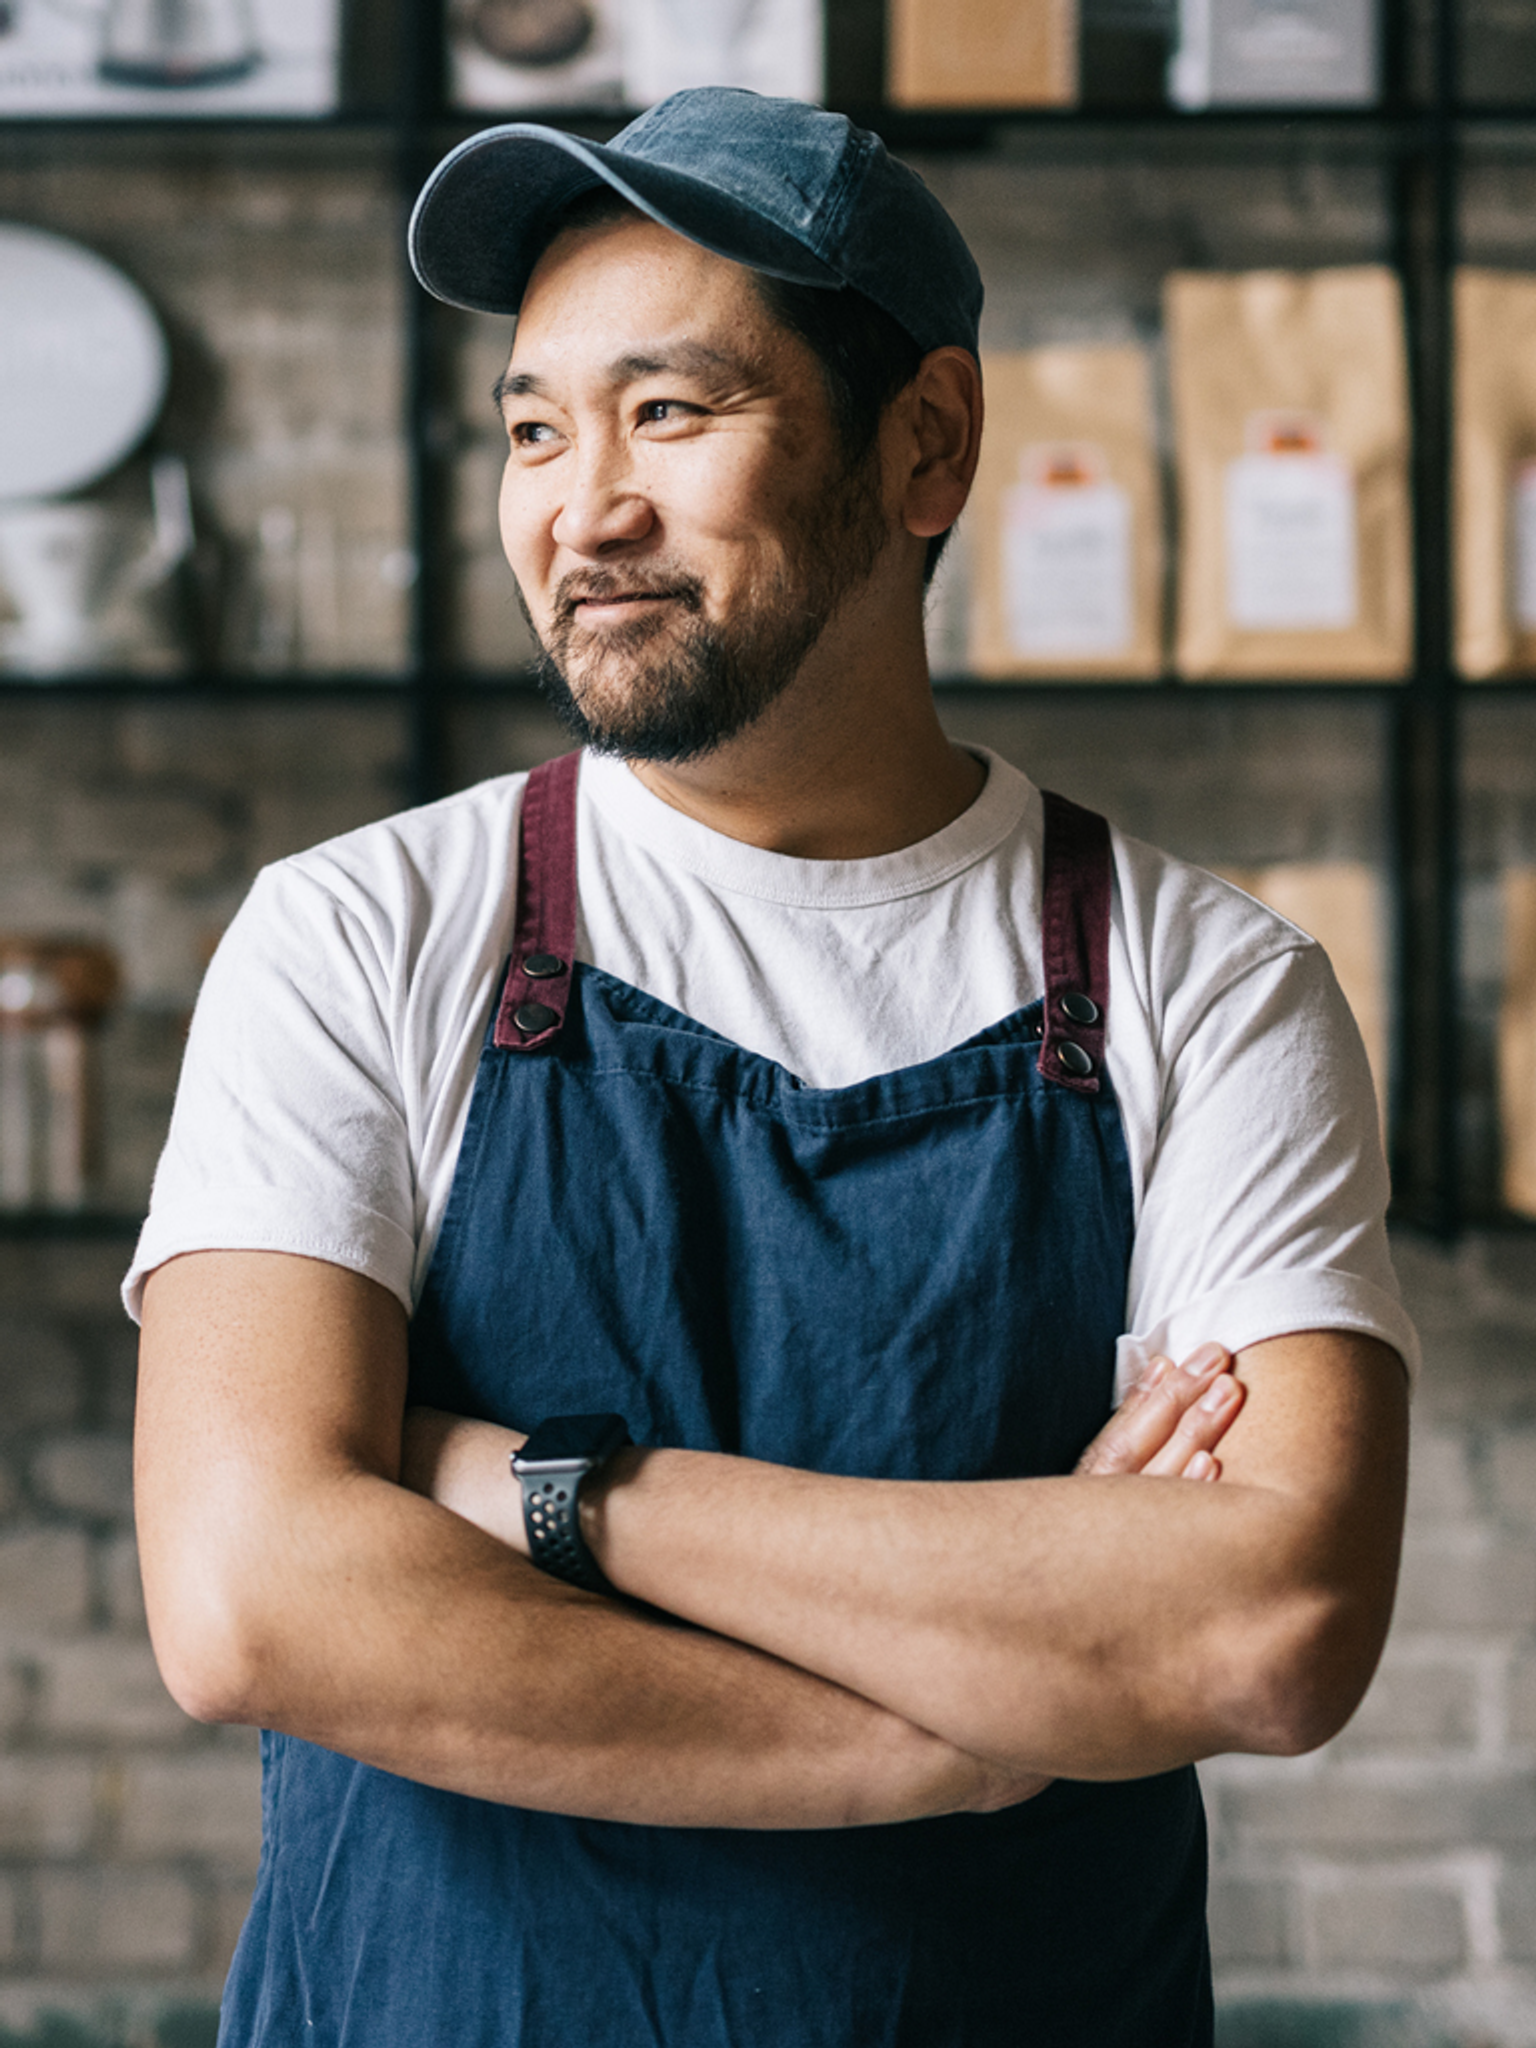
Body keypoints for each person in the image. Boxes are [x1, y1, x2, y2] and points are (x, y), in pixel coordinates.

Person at [130, 88, 1415, 2048]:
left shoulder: (1211, 988)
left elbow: (1265, 1626)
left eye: (671, 411)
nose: (584, 507)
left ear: (926, 444)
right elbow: (248, 1593)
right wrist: (948, 1734)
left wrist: (542, 1490)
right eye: (537, 428)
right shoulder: (363, 935)